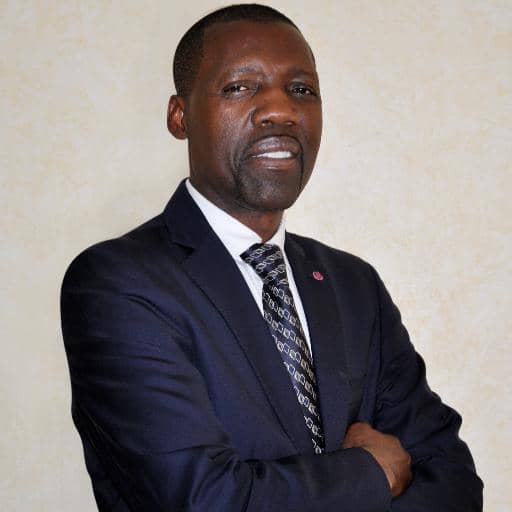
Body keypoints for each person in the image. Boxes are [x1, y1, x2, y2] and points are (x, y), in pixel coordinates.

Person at [61, 4, 483, 511]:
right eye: (240, 87)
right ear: (180, 116)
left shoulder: (354, 286)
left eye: (301, 90)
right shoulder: (120, 284)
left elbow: (454, 481)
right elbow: (203, 501)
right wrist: (372, 473)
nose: (280, 111)